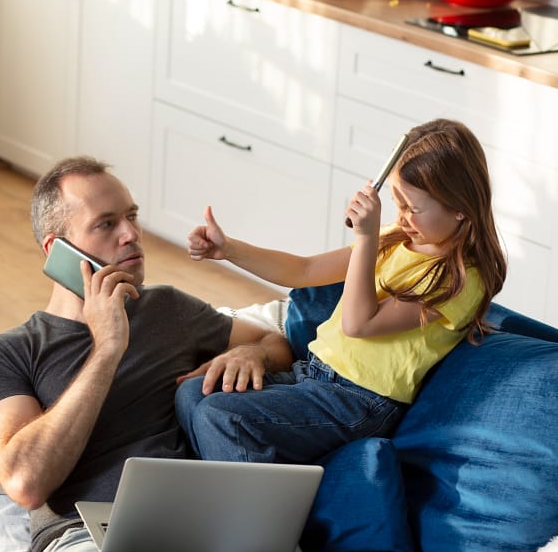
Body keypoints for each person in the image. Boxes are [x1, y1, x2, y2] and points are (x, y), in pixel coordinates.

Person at [0, 155, 395, 552]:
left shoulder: (169, 309)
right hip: (86, 544)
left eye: (131, 215)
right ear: (56, 249)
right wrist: (108, 348)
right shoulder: (11, 352)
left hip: (203, 535)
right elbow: (25, 479)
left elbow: (274, 342)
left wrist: (250, 351)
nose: (131, 234)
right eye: (107, 224)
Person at [177, 118, 507, 465]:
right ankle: (241, 482)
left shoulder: (462, 279)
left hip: (360, 400)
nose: (403, 217)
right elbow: (302, 270)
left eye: (413, 208)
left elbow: (358, 324)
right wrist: (228, 249)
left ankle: (256, 513)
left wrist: (365, 238)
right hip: (313, 374)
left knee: (222, 415)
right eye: (397, 204)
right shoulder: (395, 239)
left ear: (459, 209)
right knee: (193, 393)